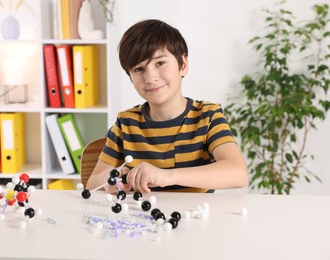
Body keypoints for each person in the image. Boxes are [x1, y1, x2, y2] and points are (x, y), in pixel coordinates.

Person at [86, 19, 248, 194]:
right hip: (141, 217)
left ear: (183, 65)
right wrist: (110, 178)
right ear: (131, 78)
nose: (150, 77)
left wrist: (167, 176)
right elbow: (92, 184)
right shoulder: (126, 123)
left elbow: (238, 173)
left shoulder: (208, 116)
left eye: (160, 63)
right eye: (139, 69)